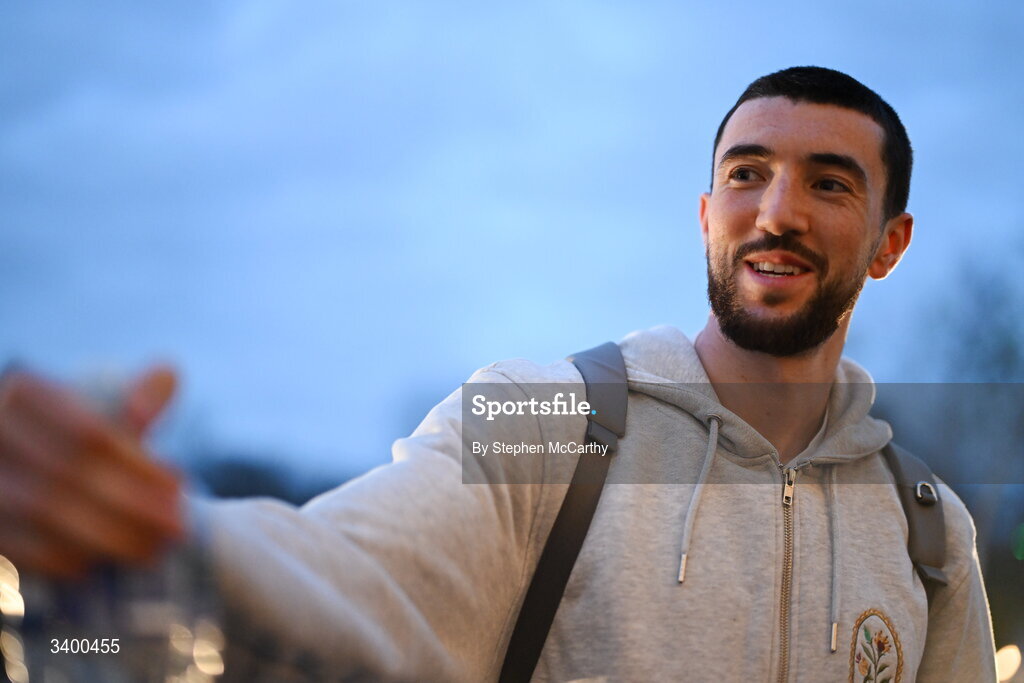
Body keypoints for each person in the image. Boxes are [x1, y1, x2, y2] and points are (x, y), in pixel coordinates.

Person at [0, 66, 997, 681]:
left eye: (828, 182)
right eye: (746, 172)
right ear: (705, 215)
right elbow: (353, 576)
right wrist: (162, 542)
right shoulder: (551, 421)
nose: (775, 209)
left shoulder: (923, 526)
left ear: (889, 242)